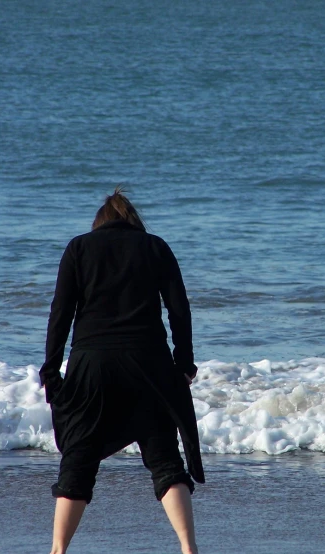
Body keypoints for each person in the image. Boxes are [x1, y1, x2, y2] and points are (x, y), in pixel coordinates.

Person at [39, 187, 204, 554]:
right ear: (134, 222)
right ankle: (189, 549)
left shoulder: (78, 249)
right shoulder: (156, 247)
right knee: (164, 460)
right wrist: (184, 364)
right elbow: (180, 309)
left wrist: (51, 370)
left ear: (99, 224)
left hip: (91, 364)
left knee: (78, 461)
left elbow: (60, 313)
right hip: (150, 364)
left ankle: (58, 551)